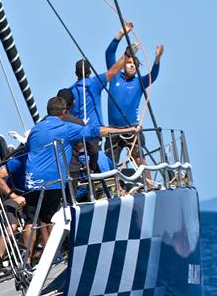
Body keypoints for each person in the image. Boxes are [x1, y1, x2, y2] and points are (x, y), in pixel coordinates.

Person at [24, 97, 137, 259]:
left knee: (31, 222)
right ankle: (56, 255)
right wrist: (127, 130)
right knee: (54, 217)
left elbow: (28, 149)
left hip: (31, 181)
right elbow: (97, 131)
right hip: (53, 182)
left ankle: (27, 261)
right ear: (64, 112)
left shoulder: (35, 130)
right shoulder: (65, 128)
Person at [105, 23, 164, 166]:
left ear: (138, 68)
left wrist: (157, 59)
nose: (131, 65)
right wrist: (121, 33)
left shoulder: (139, 82)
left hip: (132, 129)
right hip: (113, 130)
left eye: (134, 64)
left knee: (139, 159)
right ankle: (117, 188)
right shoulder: (114, 77)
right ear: (124, 64)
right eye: (129, 62)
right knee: (110, 164)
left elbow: (153, 75)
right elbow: (109, 53)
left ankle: (148, 184)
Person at [69, 53, 125, 127]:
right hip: (95, 131)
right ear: (90, 72)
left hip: (77, 133)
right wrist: (126, 56)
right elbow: (113, 71)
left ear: (76, 73)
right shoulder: (95, 82)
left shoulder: (70, 91)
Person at [0, 149, 27, 261]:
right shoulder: (18, 159)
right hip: (12, 196)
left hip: (32, 197)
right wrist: (15, 197)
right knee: (10, 227)